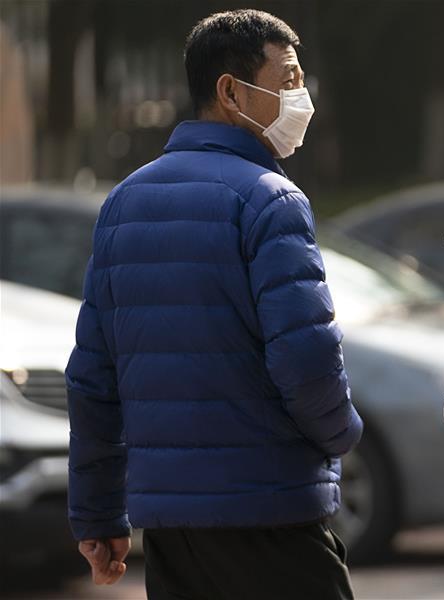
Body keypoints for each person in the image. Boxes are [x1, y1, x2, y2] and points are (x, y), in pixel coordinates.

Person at [65, 10, 362, 600]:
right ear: (231, 92)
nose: (301, 98)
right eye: (288, 81)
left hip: (173, 534)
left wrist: (97, 512)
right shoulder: (270, 200)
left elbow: (94, 377)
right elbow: (306, 358)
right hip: (271, 513)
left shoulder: (123, 202)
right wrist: (341, 433)